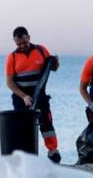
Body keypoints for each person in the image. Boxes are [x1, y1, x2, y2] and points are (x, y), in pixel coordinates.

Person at [5, 26, 60, 163]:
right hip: (20, 97)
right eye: (19, 44)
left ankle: (53, 152)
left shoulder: (41, 50)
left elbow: (53, 68)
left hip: (40, 94)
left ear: (29, 37)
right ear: (14, 42)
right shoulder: (12, 57)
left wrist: (56, 63)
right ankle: (24, 155)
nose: (22, 46)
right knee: (23, 126)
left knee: (46, 122)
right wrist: (23, 96)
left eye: (24, 42)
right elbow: (10, 82)